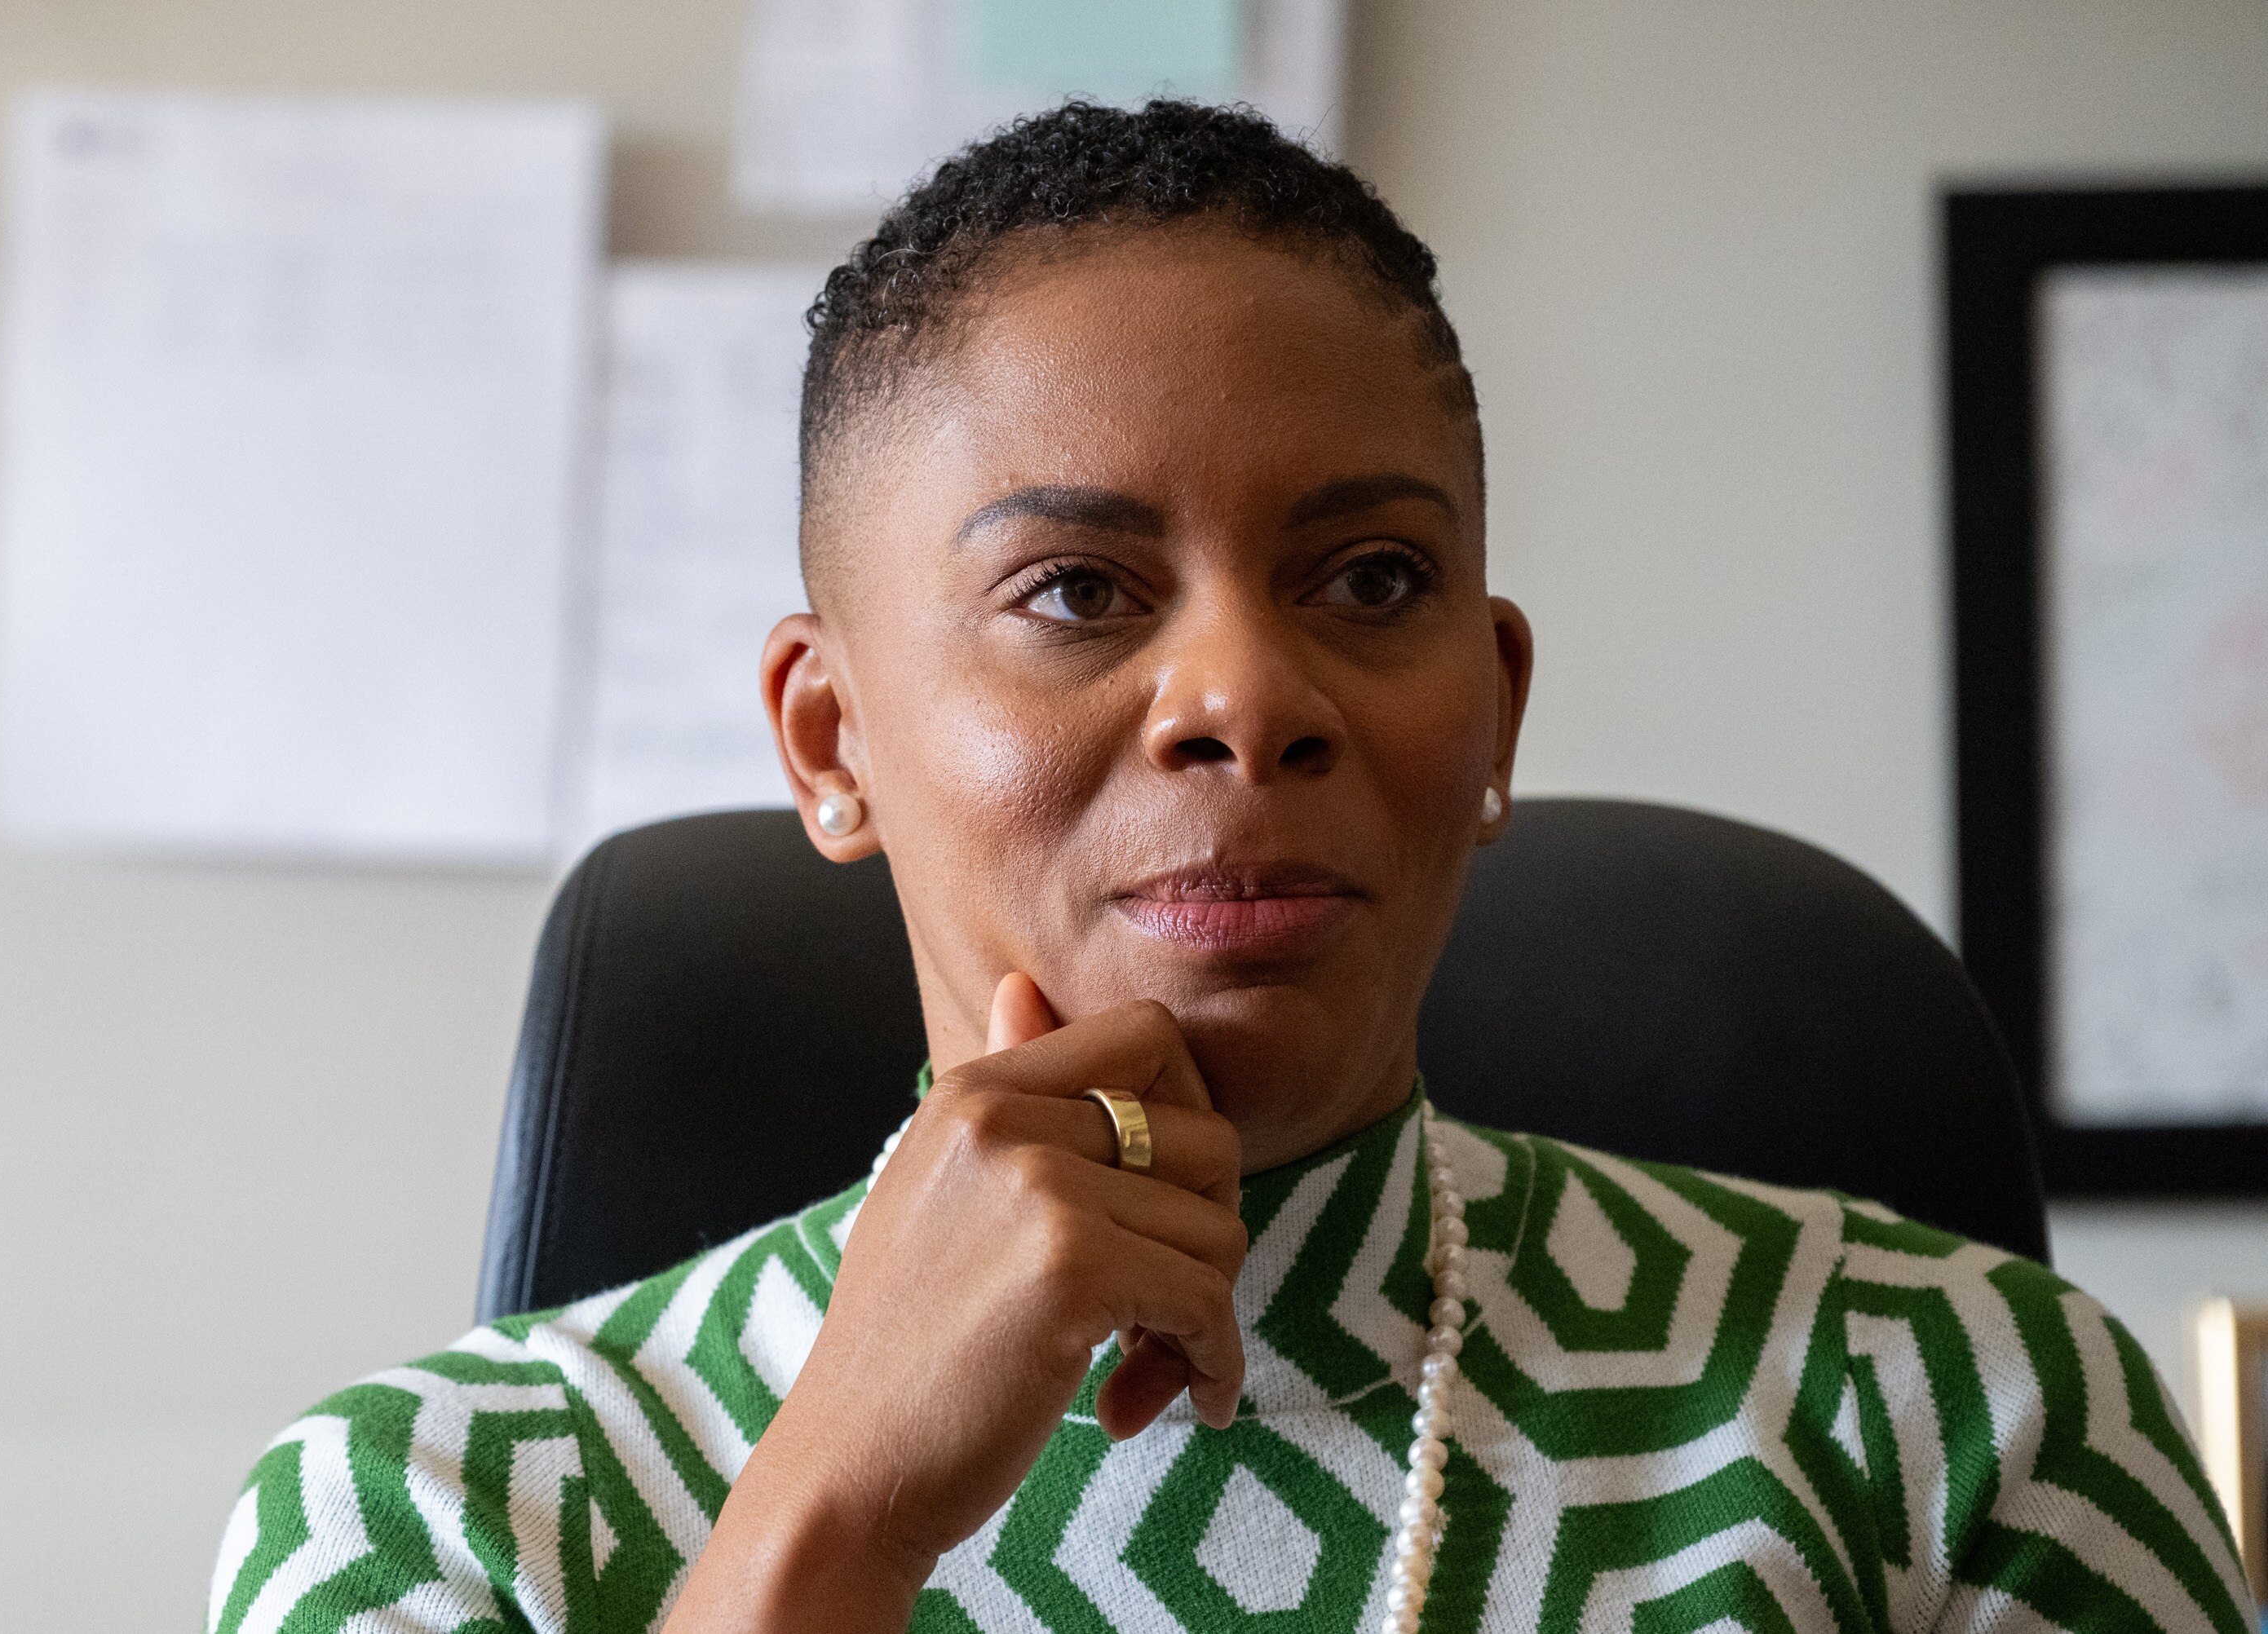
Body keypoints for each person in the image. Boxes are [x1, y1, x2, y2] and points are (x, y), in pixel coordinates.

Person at [207, 102, 2252, 1634]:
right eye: (1079, 590)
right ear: (832, 742)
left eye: (1371, 579)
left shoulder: (1956, 1420)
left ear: (1497, 712)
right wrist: (828, 1521)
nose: (1245, 701)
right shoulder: (435, 1514)